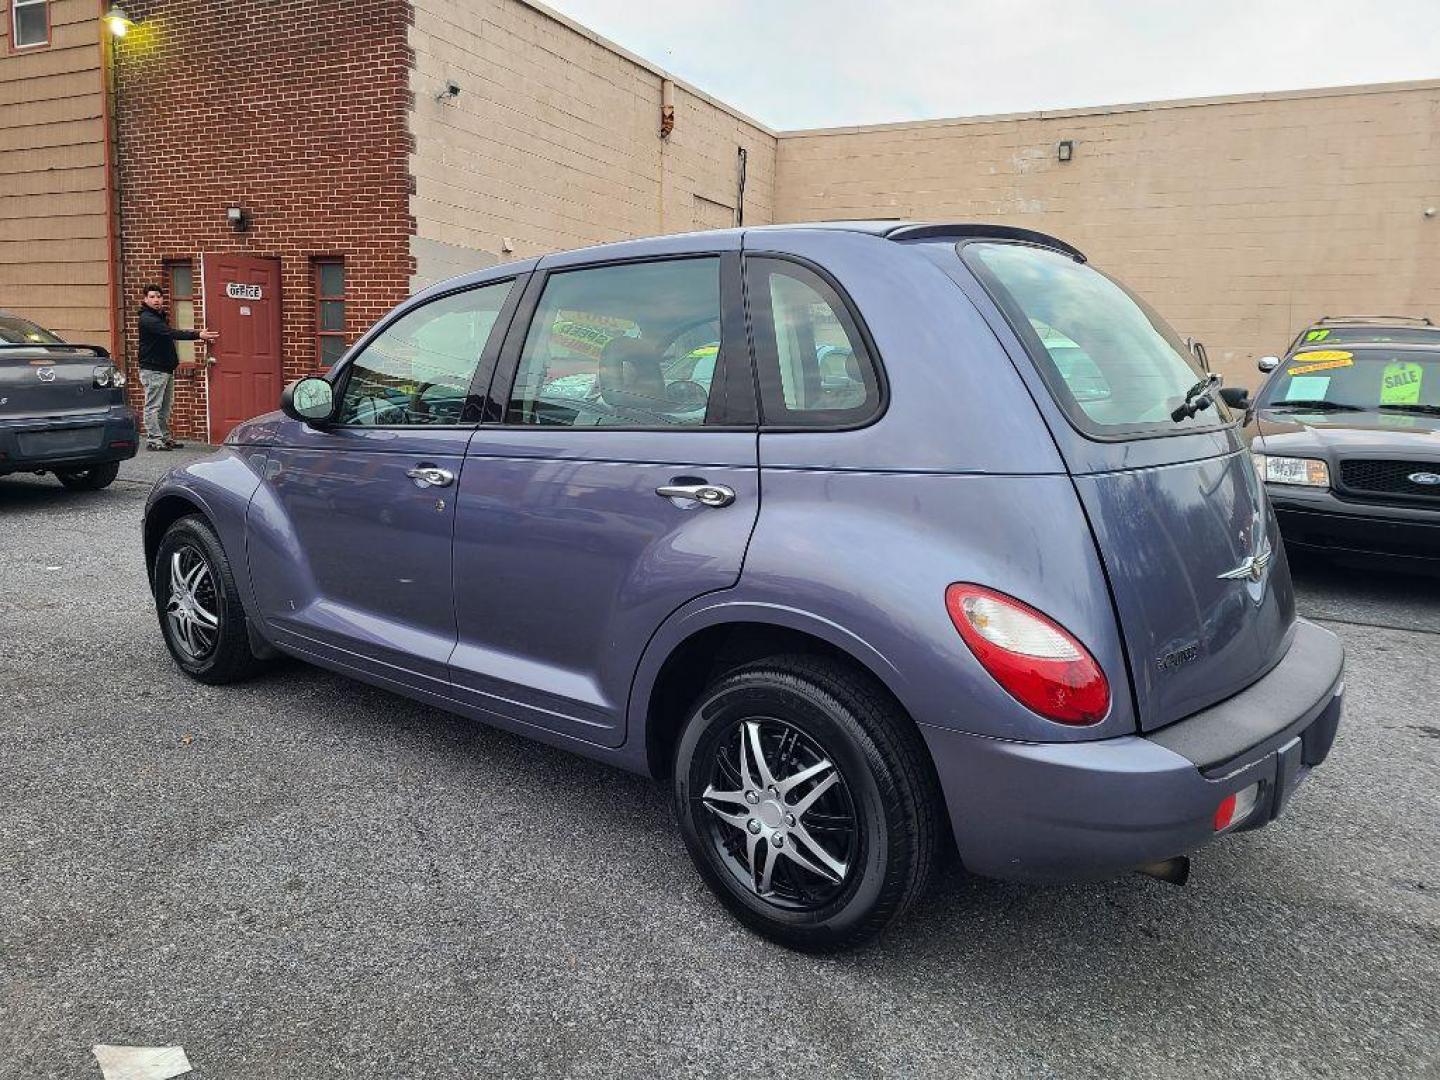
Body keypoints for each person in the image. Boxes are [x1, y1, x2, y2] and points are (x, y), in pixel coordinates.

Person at [137, 284, 218, 450]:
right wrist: (198, 334)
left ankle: (164, 438)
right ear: (145, 300)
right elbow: (171, 333)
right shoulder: (147, 319)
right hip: (153, 369)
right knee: (153, 406)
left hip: (165, 369)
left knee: (165, 407)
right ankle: (154, 440)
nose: (156, 299)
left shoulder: (159, 316)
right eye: (152, 297)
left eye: (158, 296)